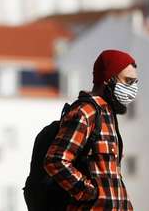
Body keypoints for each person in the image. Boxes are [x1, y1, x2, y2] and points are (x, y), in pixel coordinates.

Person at [44, 49, 138, 210]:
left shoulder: (108, 114)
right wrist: (90, 193)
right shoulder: (85, 112)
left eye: (135, 82)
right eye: (128, 81)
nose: (133, 89)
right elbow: (56, 160)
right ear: (109, 79)